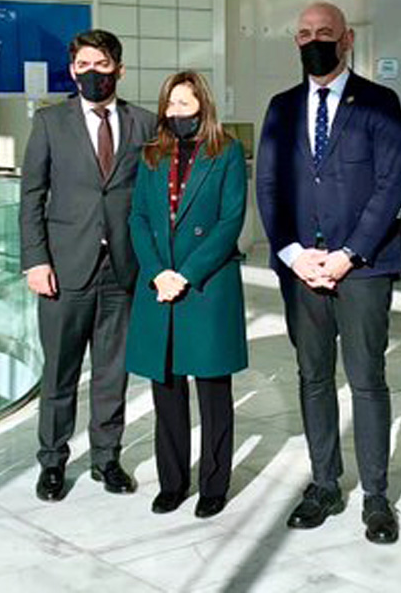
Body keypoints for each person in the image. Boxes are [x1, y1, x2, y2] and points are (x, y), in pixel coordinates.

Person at [255, 1, 401, 544]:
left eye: (324, 32)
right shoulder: (280, 108)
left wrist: (349, 255)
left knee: (367, 381)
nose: (313, 41)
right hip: (301, 269)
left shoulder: (380, 102)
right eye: (303, 33)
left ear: (346, 39)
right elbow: (268, 188)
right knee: (313, 378)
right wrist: (294, 254)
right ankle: (324, 484)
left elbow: (392, 185)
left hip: (362, 269)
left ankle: (375, 496)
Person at [20, 28, 155, 501]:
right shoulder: (50, 123)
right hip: (63, 267)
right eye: (83, 66)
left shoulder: (145, 123)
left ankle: (106, 458)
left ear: (119, 68)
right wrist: (35, 260)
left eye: (101, 65)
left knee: (112, 372)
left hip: (123, 269)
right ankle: (53, 461)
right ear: (72, 70)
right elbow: (32, 196)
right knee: (59, 372)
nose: (91, 73)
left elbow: (154, 199)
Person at [124, 71, 248, 519]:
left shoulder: (228, 152)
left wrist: (186, 273)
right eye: (170, 105)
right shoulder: (152, 155)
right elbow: (138, 217)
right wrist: (158, 273)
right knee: (167, 391)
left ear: (204, 106)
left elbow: (230, 221)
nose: (176, 112)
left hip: (206, 285)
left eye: (185, 104)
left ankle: (214, 484)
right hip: (160, 287)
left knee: (213, 393)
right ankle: (172, 482)